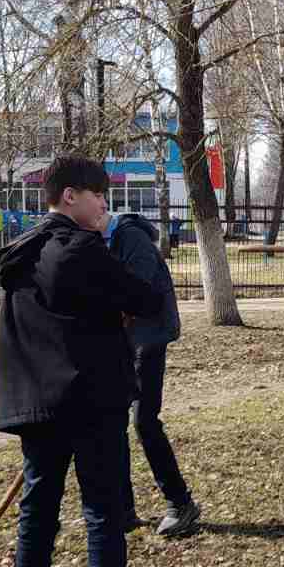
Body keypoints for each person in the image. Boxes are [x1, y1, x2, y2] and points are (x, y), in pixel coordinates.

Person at [0, 154, 173, 567]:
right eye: (98, 195)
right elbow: (145, 297)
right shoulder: (80, 250)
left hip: (36, 402)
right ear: (69, 195)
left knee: (38, 510)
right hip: (90, 400)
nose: (104, 205)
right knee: (102, 512)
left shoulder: (19, 255)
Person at [106, 210, 197, 539]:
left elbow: (139, 295)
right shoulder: (97, 239)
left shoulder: (131, 238)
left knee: (143, 420)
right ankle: (123, 509)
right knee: (113, 422)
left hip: (148, 339)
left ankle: (180, 503)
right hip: (119, 343)